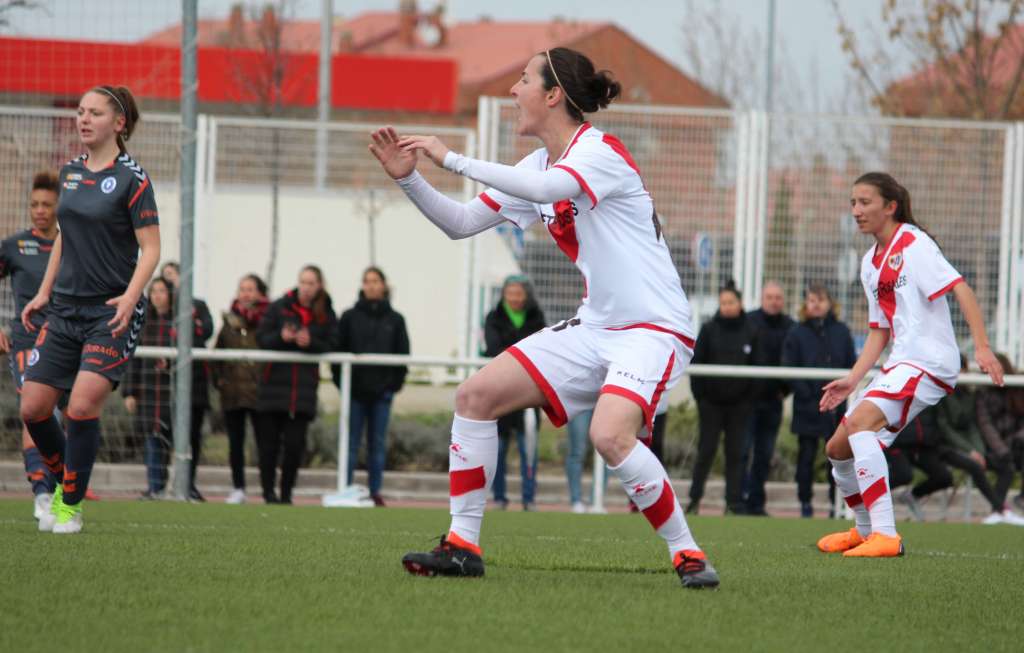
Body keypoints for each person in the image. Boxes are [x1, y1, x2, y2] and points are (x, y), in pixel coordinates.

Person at [370, 46, 719, 587]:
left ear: (554, 94)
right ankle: (462, 546)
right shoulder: (534, 166)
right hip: (596, 326)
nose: (513, 90)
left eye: (523, 80)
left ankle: (688, 553)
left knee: (610, 435)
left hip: (654, 329)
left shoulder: (599, 152)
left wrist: (452, 158)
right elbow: (461, 223)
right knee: (475, 397)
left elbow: (550, 190)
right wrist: (409, 179)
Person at [816, 172, 1003, 557]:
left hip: (929, 361)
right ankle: (864, 531)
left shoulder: (913, 243)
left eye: (865, 202)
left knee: (861, 426)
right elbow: (879, 331)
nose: (856, 211)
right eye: (853, 203)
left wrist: (982, 348)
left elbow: (961, 288)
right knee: (837, 449)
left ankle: (885, 535)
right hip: (901, 363)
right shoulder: (869, 263)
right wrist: (853, 379)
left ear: (890, 206)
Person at [19, 85, 161, 534]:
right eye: (80, 111)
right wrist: (44, 292)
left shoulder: (133, 179)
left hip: (109, 312)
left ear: (118, 123)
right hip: (64, 310)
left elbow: (151, 248)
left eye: (94, 113)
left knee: (80, 407)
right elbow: (65, 237)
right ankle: (70, 483)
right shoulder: (70, 173)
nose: (83, 119)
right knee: (33, 408)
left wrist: (132, 296)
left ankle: (69, 505)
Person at [0, 170, 60, 520]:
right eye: (34, 204)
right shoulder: (14, 246)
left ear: (59, 208)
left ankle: (60, 490)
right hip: (26, 342)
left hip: (65, 342)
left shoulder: (72, 246)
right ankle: (41, 493)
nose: (39, 210)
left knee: (67, 418)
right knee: (35, 413)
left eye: (46, 205)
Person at [256, 265, 336, 504]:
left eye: (311, 283)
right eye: (303, 282)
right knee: (268, 448)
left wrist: (310, 342)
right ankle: (268, 494)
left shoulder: (326, 313)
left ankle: (286, 494)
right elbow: (262, 338)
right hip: (272, 390)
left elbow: (333, 342)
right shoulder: (279, 307)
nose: (306, 287)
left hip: (302, 392)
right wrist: (281, 337)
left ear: (319, 285)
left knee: (294, 447)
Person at [332, 266, 410, 507]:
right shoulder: (348, 317)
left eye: (376, 281)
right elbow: (338, 351)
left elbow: (403, 356)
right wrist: (344, 385)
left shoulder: (396, 320)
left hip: (382, 394)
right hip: (355, 393)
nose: (371, 285)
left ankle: (375, 492)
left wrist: (392, 387)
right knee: (350, 444)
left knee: (377, 444)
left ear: (384, 285)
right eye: (367, 281)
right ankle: (345, 489)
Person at [781, 284, 856, 517]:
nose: (816, 305)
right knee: (806, 458)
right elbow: (789, 367)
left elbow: (851, 364)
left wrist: (837, 395)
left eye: (821, 300)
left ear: (830, 303)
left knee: (837, 458)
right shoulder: (797, 332)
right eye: (812, 300)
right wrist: (807, 394)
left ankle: (836, 504)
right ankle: (805, 504)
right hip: (807, 407)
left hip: (837, 407)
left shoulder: (842, 331)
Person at [687, 281, 759, 516]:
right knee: (706, 451)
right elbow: (697, 364)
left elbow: (757, 367)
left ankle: (733, 503)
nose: (727, 307)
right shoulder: (709, 329)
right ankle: (694, 500)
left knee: (736, 454)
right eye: (723, 303)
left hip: (740, 406)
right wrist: (701, 397)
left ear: (740, 303)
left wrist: (747, 400)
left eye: (731, 302)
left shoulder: (751, 330)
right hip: (711, 404)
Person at [483, 275, 546, 511]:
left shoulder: (537, 317)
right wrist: (519, 358)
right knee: (498, 448)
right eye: (510, 293)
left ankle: (528, 498)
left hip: (530, 392)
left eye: (519, 293)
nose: (514, 298)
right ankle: (499, 497)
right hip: (501, 390)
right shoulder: (494, 317)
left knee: (528, 447)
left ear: (526, 295)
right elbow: (493, 348)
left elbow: (542, 349)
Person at [211, 273, 269, 505]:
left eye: (250, 289)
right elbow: (216, 356)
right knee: (235, 443)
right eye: (242, 289)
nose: (246, 294)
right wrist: (220, 381)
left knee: (265, 444)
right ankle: (238, 488)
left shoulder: (268, 320)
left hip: (261, 394)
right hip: (232, 393)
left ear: (260, 293)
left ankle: (268, 489)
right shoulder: (228, 324)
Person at [159, 260, 214, 501]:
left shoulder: (197, 306)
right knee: (164, 434)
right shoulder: (159, 308)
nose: (170, 280)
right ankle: (160, 484)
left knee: (192, 435)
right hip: (164, 385)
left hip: (196, 381)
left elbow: (206, 331)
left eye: (173, 275)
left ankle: (188, 484)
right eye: (165, 276)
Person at [740, 281, 793, 516]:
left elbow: (794, 361)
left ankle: (757, 503)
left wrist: (785, 389)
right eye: (769, 297)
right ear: (762, 299)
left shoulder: (791, 326)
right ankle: (738, 500)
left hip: (773, 401)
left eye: (778, 297)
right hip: (747, 401)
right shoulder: (749, 321)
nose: (774, 301)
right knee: (742, 452)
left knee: (764, 454)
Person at [122, 277, 175, 499]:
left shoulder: (178, 322)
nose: (157, 295)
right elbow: (132, 360)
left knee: (169, 441)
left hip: (171, 395)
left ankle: (172, 486)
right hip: (148, 393)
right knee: (152, 439)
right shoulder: (143, 323)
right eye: (154, 291)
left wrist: (170, 364)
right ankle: (155, 487)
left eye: (162, 291)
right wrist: (129, 392)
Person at [974, 353, 1024, 525]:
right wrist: (1002, 449)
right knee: (1006, 468)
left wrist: (1017, 439)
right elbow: (985, 425)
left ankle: (1019, 499)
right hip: (992, 449)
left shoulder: (1017, 390)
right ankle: (998, 510)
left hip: (1016, 446)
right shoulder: (983, 394)